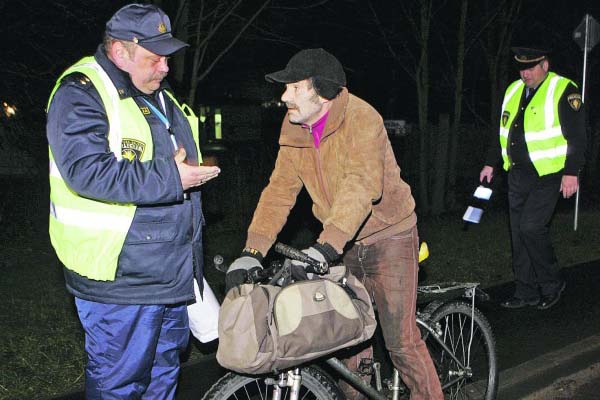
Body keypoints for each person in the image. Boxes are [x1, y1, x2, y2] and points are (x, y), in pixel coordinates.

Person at [225, 48, 443, 400]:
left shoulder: (361, 118)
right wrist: (252, 251)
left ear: (321, 91)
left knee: (400, 343)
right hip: (343, 240)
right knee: (347, 341)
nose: (284, 97)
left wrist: (327, 245)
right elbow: (280, 191)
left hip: (390, 235)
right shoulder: (295, 127)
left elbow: (362, 184)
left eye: (294, 88)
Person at [46, 4, 220, 398]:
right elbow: (87, 171)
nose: (165, 68)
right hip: (119, 280)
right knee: (120, 386)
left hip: (169, 274)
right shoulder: (82, 91)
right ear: (120, 51)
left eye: (167, 58)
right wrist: (172, 177)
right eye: (154, 58)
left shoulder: (156, 93)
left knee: (163, 376)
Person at [480, 45, 586, 310]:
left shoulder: (563, 89)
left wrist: (572, 171)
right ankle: (525, 291)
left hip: (549, 174)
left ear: (545, 65)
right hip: (517, 173)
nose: (525, 73)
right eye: (521, 68)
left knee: (531, 227)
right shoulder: (513, 90)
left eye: (530, 67)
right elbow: (501, 130)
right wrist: (490, 163)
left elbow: (578, 135)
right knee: (518, 234)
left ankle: (551, 283)